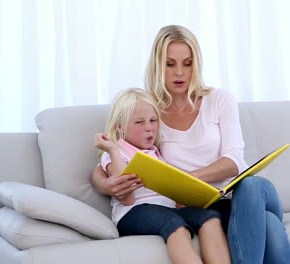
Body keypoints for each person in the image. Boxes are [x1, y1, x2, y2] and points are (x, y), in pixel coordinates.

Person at [92, 25, 290, 264]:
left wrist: (187, 181)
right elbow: (116, 154)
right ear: (158, 66)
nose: (179, 73)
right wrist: (107, 184)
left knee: (250, 185)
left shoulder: (219, 100)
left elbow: (233, 162)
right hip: (205, 208)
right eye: (170, 64)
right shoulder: (150, 112)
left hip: (240, 198)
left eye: (187, 63)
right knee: (269, 224)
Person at [94, 88, 230, 264]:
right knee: (175, 225)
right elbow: (127, 198)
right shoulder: (116, 152)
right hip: (134, 211)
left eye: (153, 120)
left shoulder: (156, 152)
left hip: (166, 209)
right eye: (139, 122)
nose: (149, 128)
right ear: (120, 126)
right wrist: (112, 149)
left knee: (210, 217)